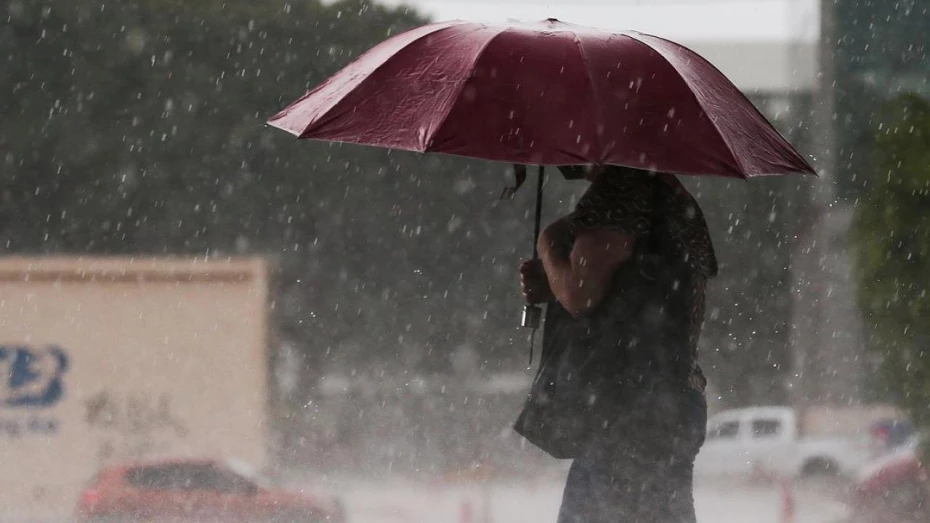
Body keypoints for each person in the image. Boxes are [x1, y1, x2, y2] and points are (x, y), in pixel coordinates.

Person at [517, 165, 718, 523]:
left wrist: (549, 245)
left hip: (625, 411)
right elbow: (635, 292)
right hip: (662, 402)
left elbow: (579, 293)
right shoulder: (673, 199)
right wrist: (554, 284)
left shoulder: (621, 191)